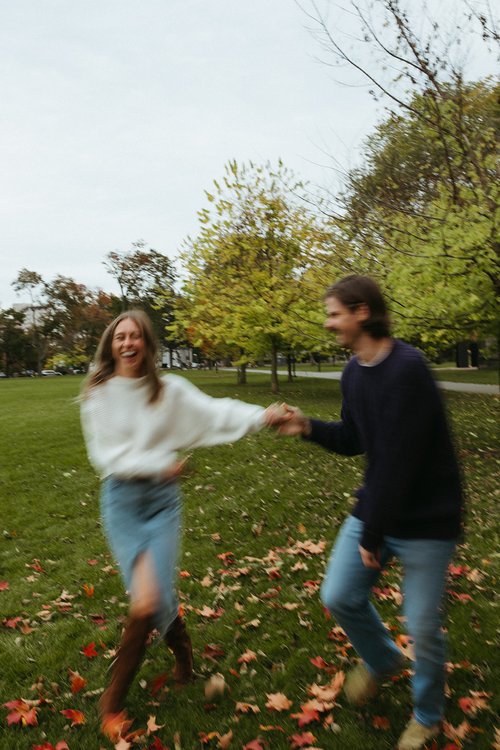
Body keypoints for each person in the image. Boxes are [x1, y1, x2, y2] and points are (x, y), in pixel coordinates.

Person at [269, 275, 463, 750]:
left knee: (419, 624)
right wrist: (307, 426)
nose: (327, 322)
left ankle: (428, 714)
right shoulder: (355, 371)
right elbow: (357, 439)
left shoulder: (408, 368)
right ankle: (383, 660)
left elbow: (400, 462)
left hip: (426, 519)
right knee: (339, 594)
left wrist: (372, 535)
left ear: (361, 312)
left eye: (334, 312)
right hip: (380, 505)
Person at [80, 309, 283, 740]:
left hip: (163, 504)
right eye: (121, 337)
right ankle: (113, 703)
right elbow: (106, 456)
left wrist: (261, 416)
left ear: (148, 345)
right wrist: (159, 464)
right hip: (123, 503)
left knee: (154, 596)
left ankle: (180, 657)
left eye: (136, 336)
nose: (128, 343)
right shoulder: (97, 393)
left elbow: (214, 412)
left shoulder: (167, 390)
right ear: (110, 344)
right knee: (146, 600)